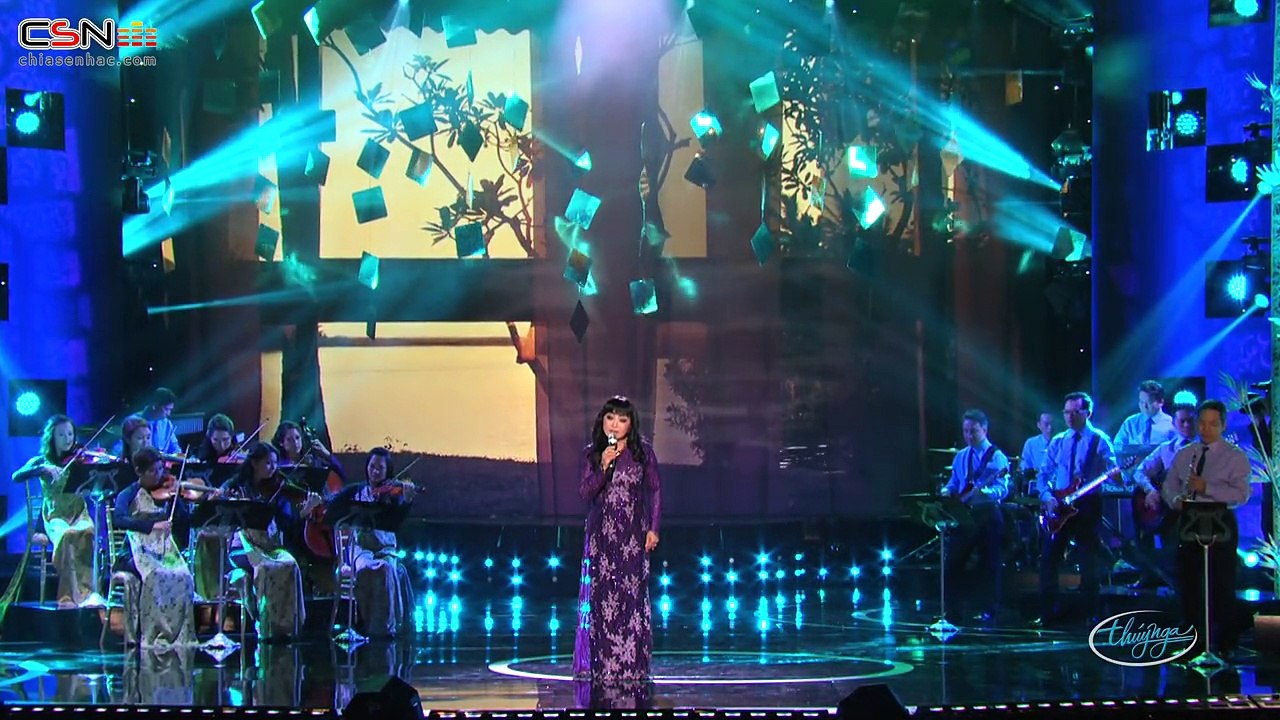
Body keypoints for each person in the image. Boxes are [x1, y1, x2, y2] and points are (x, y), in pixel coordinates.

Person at [573, 396, 663, 696]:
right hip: (602, 537)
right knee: (604, 601)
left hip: (633, 538)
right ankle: (604, 667)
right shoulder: (592, 454)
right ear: (602, 421)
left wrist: (654, 528)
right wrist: (603, 465)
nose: (615, 424)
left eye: (622, 419)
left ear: (631, 425)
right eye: (610, 418)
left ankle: (632, 666)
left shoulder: (642, 453)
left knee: (631, 599)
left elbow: (655, 490)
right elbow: (585, 493)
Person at [1162, 399, 1252, 656]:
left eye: (1213, 424)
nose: (1206, 429)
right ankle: (1193, 641)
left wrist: (1207, 488)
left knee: (1221, 582)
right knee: (1189, 582)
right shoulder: (1185, 453)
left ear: (1223, 425)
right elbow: (1169, 484)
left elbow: (1241, 494)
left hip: (1220, 521)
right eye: (1202, 423)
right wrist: (1174, 499)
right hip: (1189, 520)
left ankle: (1225, 644)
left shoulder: (1235, 456)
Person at [1033, 391, 1118, 626]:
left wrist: (1115, 475)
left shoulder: (1100, 440)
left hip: (1088, 503)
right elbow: (1043, 474)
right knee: (1049, 557)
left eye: (1075, 412)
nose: (1070, 417)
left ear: (1087, 413)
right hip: (1060, 505)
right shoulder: (1059, 440)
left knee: (1088, 558)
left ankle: (1091, 613)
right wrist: (1047, 496)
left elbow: (1114, 475)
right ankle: (1048, 612)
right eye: (1066, 412)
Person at [220, 442, 318, 641]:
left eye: (275, 463)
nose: (273, 468)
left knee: (290, 564)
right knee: (264, 568)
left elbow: (287, 524)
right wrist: (223, 497)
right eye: (267, 463)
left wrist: (305, 511)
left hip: (270, 545)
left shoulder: (278, 490)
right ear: (254, 463)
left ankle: (287, 626)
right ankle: (266, 624)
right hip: (242, 544)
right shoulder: (237, 485)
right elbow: (223, 511)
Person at [11, 414, 104, 608]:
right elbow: (16, 476)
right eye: (61, 434)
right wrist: (42, 469)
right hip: (55, 515)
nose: (67, 438)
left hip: (79, 512)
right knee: (67, 536)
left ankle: (90, 593)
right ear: (52, 437)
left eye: (70, 434)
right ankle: (67, 596)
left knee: (88, 533)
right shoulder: (42, 461)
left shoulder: (80, 459)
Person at [110, 446, 198, 648]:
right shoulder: (128, 493)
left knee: (183, 575)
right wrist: (151, 525)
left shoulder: (167, 491)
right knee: (155, 575)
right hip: (135, 550)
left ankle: (176, 633)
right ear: (139, 471)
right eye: (152, 471)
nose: (158, 475)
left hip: (165, 549)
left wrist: (178, 499)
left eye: (160, 469)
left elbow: (185, 522)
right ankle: (154, 632)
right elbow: (119, 519)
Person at [324, 448, 415, 637]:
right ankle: (365, 623)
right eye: (372, 466)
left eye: (380, 468)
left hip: (385, 548)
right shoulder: (355, 491)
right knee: (367, 568)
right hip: (360, 548)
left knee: (386, 568)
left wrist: (406, 501)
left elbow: (398, 522)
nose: (375, 471)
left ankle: (383, 628)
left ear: (387, 470)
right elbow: (333, 507)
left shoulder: (393, 494)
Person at [939, 409, 1010, 621]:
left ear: (984, 430)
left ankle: (990, 610)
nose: (969, 435)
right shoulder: (961, 456)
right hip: (964, 515)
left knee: (989, 564)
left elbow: (1003, 489)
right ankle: (952, 611)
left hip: (987, 514)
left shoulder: (997, 458)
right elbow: (954, 482)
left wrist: (985, 493)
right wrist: (947, 490)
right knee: (953, 563)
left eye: (973, 431)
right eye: (966, 431)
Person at [1130, 403, 1197, 589]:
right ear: (1174, 424)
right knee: (1144, 536)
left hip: (1193, 514)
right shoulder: (1165, 449)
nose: (1186, 425)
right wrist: (1150, 490)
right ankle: (1152, 577)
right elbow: (1139, 472)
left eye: (1190, 421)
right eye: (1182, 421)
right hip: (1167, 512)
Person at [1114, 380, 1176, 491]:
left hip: (1162, 483)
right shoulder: (1130, 423)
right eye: (1141, 402)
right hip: (1133, 483)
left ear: (1160, 402)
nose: (1144, 406)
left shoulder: (1172, 425)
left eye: (1149, 402)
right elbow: (1117, 448)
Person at [1019, 412, 1054, 492]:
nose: (1050, 428)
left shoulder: (1063, 442)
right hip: (1037, 486)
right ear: (1039, 425)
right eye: (1046, 424)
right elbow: (1025, 467)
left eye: (1052, 424)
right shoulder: (1031, 443)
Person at [143, 388, 181, 455]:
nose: (168, 414)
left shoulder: (167, 423)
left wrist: (181, 456)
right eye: (166, 409)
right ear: (154, 406)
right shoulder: (134, 422)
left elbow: (175, 448)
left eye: (170, 410)